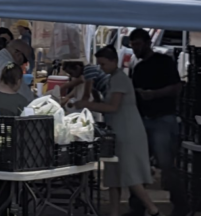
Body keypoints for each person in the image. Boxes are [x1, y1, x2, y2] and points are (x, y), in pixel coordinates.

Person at [78, 46, 160, 216]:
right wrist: (95, 97)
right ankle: (114, 212)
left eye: (103, 64)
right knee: (113, 176)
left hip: (127, 132)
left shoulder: (120, 79)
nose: (101, 68)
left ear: (114, 61)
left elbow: (113, 107)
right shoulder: (112, 78)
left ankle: (153, 209)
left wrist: (87, 104)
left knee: (130, 174)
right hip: (117, 132)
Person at [128, 28, 184, 215]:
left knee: (167, 165)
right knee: (138, 165)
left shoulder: (164, 62)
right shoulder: (138, 68)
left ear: (147, 43)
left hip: (163, 120)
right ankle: (136, 208)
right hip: (143, 120)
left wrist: (154, 94)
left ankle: (181, 205)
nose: (134, 49)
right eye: (132, 45)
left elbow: (177, 87)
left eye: (137, 44)